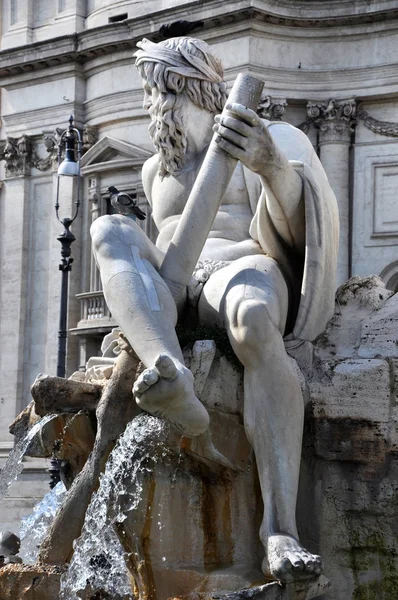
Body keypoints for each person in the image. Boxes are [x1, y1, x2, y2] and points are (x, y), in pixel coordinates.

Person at [90, 36, 339, 583]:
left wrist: (272, 167)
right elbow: (164, 253)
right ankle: (169, 371)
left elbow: (305, 233)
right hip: (179, 283)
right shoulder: (157, 169)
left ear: (197, 89)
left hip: (242, 266)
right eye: (153, 95)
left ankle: (279, 528)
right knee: (108, 227)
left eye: (165, 93)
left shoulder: (264, 137)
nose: (157, 109)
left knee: (252, 322)